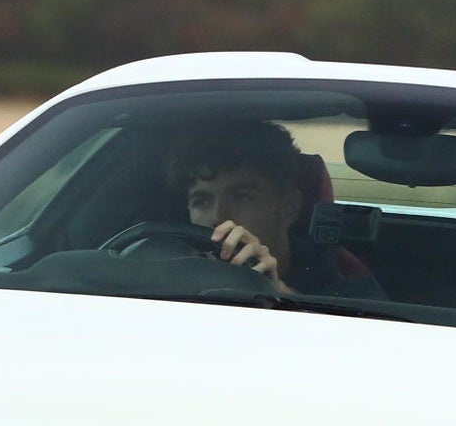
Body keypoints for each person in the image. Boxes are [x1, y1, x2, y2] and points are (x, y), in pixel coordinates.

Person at [163, 119, 386, 299]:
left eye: (242, 197)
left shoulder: (347, 284)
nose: (218, 217)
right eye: (202, 201)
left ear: (289, 208)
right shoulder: (163, 273)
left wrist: (279, 294)